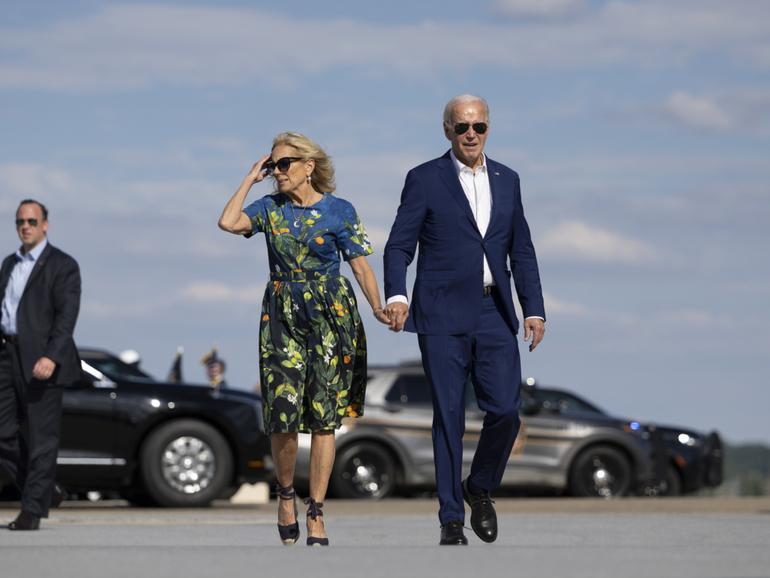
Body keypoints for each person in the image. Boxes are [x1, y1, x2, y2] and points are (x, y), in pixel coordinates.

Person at [383, 95, 546, 545]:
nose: (470, 135)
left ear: (489, 128)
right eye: (462, 127)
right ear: (447, 131)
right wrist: (396, 294)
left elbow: (523, 249)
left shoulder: (508, 179)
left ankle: (480, 487)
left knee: (506, 410)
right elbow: (399, 245)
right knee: (449, 415)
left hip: (494, 312)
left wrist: (533, 307)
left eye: (479, 127)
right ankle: (451, 518)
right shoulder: (424, 179)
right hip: (440, 315)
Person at [218, 132, 389, 546]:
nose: (277, 172)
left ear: (308, 166)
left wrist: (378, 307)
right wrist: (249, 178)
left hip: (331, 314)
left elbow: (361, 267)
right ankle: (285, 495)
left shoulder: (339, 211)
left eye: (284, 164)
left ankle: (316, 510)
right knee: (283, 414)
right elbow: (228, 222)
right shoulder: (270, 210)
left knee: (325, 417)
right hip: (282, 314)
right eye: (273, 165)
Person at [0, 199, 82, 531]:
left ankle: (31, 510)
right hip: (7, 356)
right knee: (2, 435)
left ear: (45, 224)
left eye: (32, 221)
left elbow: (66, 316)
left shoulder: (63, 265)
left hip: (42, 359)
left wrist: (52, 355)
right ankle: (44, 490)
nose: (25, 226)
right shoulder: (9, 263)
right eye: (20, 221)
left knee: (42, 439)